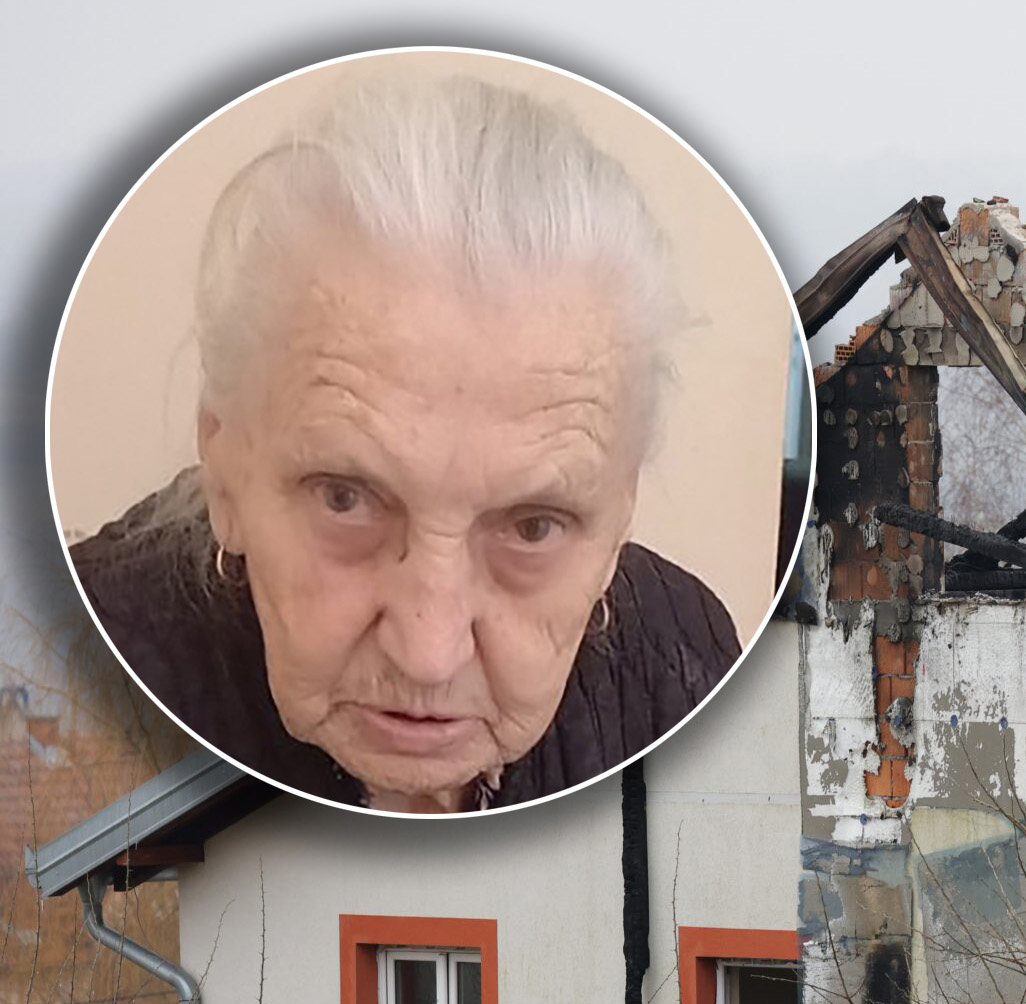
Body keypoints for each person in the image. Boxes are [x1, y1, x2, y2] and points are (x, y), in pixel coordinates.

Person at [69, 74, 739, 812]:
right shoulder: (63, 666)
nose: (429, 653)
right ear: (225, 467)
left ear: (619, 517)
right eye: (346, 499)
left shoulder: (688, 664)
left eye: (532, 526)